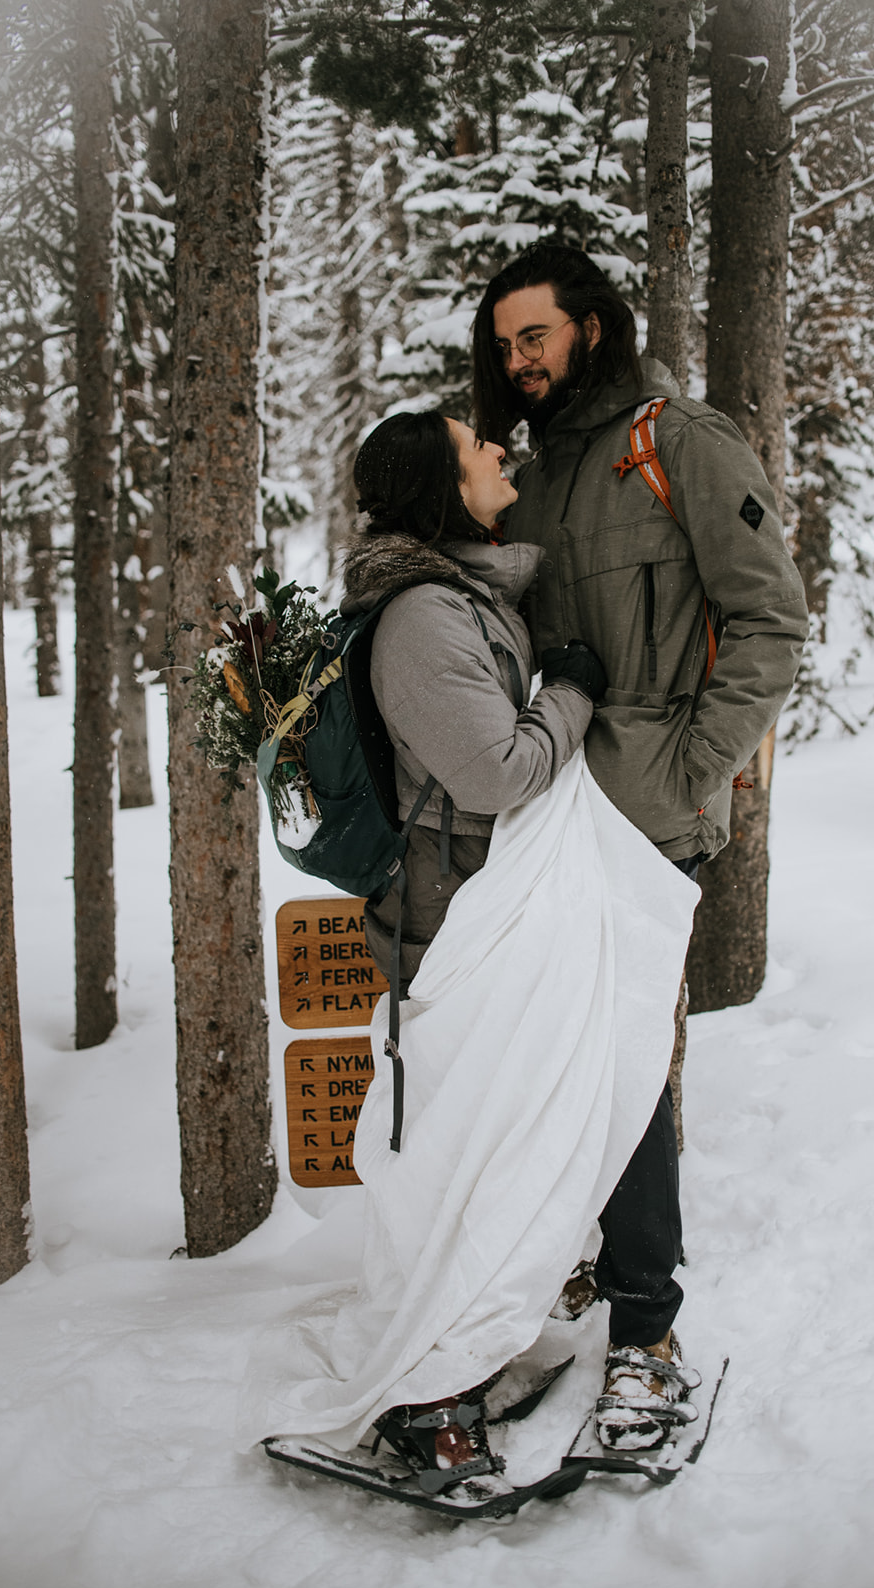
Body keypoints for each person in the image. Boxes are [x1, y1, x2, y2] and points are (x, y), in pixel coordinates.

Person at [471, 242, 810, 1449]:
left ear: (592, 330)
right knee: (547, 1068)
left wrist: (688, 766)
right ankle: (547, 1284)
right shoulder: (533, 469)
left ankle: (646, 1336)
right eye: (504, 344)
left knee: (623, 1073)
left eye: (535, 338)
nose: (516, 363)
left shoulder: (679, 443)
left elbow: (772, 618)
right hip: (544, 815)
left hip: (645, 816)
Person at [340, 408, 606, 1490]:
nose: (501, 452)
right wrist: (570, 691)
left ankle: (471, 1353)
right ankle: (421, 1396)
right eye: (475, 446)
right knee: (452, 1162)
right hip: (454, 924)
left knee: (498, 1152)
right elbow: (495, 773)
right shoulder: (420, 621)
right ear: (442, 490)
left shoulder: (467, 598)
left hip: (491, 910)